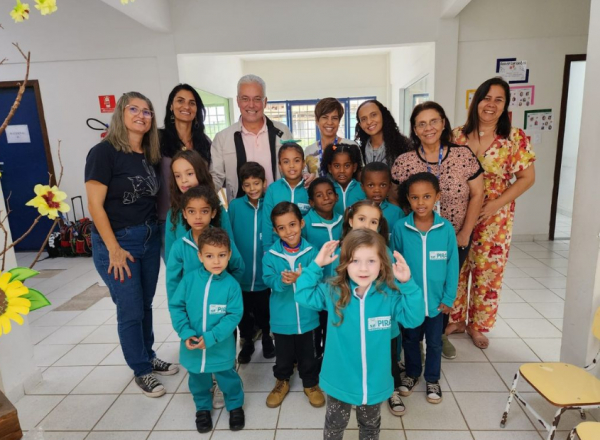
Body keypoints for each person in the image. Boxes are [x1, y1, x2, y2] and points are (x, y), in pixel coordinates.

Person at [85, 92, 177, 398]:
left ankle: (148, 355)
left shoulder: (148, 155)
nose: (141, 115)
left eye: (147, 111)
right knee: (130, 308)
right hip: (119, 244)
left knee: (145, 304)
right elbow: (95, 207)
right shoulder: (104, 152)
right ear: (120, 115)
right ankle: (141, 370)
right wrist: (112, 247)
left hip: (149, 238)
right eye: (133, 109)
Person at [295, 229, 425, 440]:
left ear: (383, 263)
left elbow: (414, 319)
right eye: (355, 260)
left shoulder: (388, 294)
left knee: (370, 427)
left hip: (376, 380)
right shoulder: (333, 291)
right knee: (335, 427)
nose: (363, 268)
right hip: (340, 379)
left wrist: (408, 284)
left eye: (371, 260)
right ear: (345, 263)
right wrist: (317, 264)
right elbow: (302, 295)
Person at [391, 101, 484, 359]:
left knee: (443, 284)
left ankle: (438, 335)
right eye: (421, 123)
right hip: (416, 237)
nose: (428, 127)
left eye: (434, 121)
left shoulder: (463, 155)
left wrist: (465, 232)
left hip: (453, 236)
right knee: (417, 283)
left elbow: (478, 193)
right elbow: (396, 198)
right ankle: (413, 335)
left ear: (444, 123)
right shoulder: (405, 161)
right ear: (414, 130)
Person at [450, 77, 535, 349]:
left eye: (499, 100)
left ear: (505, 106)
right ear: (477, 102)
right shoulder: (457, 135)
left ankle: (477, 325)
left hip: (494, 217)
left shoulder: (514, 138)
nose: (491, 104)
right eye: (487, 98)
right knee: (457, 265)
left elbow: (526, 178)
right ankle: (456, 318)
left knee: (487, 270)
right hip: (459, 212)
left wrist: (496, 204)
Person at [168, 227, 245, 433]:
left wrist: (211, 337)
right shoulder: (189, 280)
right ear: (200, 256)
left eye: (221, 255)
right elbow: (177, 307)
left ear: (229, 255)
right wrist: (185, 332)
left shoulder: (231, 285)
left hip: (220, 346)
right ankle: (202, 408)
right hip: (192, 345)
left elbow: (233, 315)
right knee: (197, 378)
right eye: (210, 256)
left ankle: (235, 405)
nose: (216, 261)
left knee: (227, 377)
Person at [391, 173, 458, 405]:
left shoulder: (446, 228)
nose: (421, 202)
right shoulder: (401, 228)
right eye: (415, 197)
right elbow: (394, 262)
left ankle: (432, 379)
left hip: (437, 301)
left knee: (435, 342)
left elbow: (453, 265)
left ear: (437, 197)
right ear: (408, 200)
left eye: (427, 196)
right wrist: (399, 294)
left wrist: (449, 296)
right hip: (410, 302)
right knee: (410, 340)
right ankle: (411, 375)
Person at [262, 202, 325, 409]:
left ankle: (311, 383)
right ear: (275, 230)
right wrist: (282, 281)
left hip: (308, 317)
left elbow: (318, 277)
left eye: (292, 225)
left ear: (302, 223)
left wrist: (302, 278)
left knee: (309, 354)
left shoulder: (312, 251)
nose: (288, 231)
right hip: (282, 318)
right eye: (282, 227)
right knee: (284, 355)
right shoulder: (271, 255)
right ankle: (282, 380)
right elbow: (268, 279)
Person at [211, 74, 293, 201]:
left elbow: (294, 164)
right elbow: (216, 177)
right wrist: (199, 198)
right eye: (245, 99)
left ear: (265, 102)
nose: (251, 105)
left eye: (257, 99)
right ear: (238, 101)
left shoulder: (282, 132)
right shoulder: (223, 138)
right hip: (241, 212)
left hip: (279, 208)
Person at [228, 162, 275, 364]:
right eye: (247, 185)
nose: (252, 189)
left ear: (264, 183)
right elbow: (229, 235)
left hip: (264, 275)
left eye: (256, 183)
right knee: (243, 313)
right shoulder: (235, 206)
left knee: (264, 309)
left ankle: (266, 337)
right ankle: (247, 341)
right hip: (242, 274)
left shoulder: (270, 206)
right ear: (242, 186)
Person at [157, 84, 212, 257]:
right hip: (169, 218)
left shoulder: (204, 142)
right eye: (180, 101)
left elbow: (208, 178)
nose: (186, 106)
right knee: (176, 267)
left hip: (199, 216)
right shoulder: (158, 139)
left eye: (192, 103)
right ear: (171, 106)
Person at [164, 149, 234, 263]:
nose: (184, 180)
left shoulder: (218, 210)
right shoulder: (174, 214)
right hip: (187, 279)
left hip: (218, 278)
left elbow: (231, 250)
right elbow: (170, 258)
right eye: (178, 176)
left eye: (190, 174)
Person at [302, 177, 343, 359]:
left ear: (336, 197)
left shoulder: (344, 222)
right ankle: (314, 360)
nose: (325, 198)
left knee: (333, 327)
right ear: (311, 202)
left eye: (329, 193)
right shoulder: (304, 224)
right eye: (319, 195)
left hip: (337, 288)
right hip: (314, 287)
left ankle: (329, 360)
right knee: (314, 328)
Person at [356, 99, 412, 205]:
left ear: (383, 115)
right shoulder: (359, 150)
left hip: (398, 208)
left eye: (373, 115)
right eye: (364, 119)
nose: (369, 121)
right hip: (369, 208)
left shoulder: (403, 145)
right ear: (360, 124)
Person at [262, 142, 311, 252]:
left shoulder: (310, 188)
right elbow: (267, 222)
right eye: (286, 162)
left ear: (304, 164)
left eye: (296, 160)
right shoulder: (273, 190)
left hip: (305, 250)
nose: (292, 165)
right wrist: (267, 249)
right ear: (280, 165)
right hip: (277, 249)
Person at [304, 98, 358, 177]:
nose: (329, 122)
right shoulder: (309, 150)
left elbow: (360, 177)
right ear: (317, 120)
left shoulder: (351, 146)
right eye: (325, 117)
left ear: (339, 121)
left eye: (334, 118)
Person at [321, 143, 366, 216]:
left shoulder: (363, 189)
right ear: (330, 168)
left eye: (347, 165)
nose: (342, 170)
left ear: (354, 167)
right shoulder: (327, 191)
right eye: (337, 166)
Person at [361, 161, 405, 233]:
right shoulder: (356, 210)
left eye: (382, 185)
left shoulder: (397, 213)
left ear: (389, 187)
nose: (377, 190)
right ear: (362, 187)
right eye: (371, 185)